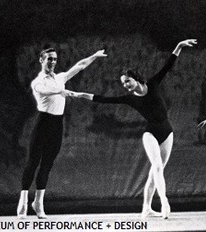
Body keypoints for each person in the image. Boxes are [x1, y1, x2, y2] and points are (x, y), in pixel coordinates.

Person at [69, 39, 197, 219]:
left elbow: (168, 65)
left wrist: (180, 45)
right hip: (150, 133)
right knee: (157, 165)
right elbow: (104, 99)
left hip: (167, 131)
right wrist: (79, 95)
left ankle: (146, 207)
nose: (126, 86)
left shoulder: (152, 84)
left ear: (135, 78)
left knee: (155, 172)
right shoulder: (130, 99)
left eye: (127, 81)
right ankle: (164, 203)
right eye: (123, 84)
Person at [17, 47, 107, 219]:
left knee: (47, 164)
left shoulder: (60, 78)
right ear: (41, 60)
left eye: (54, 59)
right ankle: (22, 202)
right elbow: (44, 91)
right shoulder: (38, 82)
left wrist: (94, 56)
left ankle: (38, 203)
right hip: (42, 123)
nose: (52, 62)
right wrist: (60, 91)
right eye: (49, 59)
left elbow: (80, 66)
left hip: (57, 125)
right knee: (33, 161)